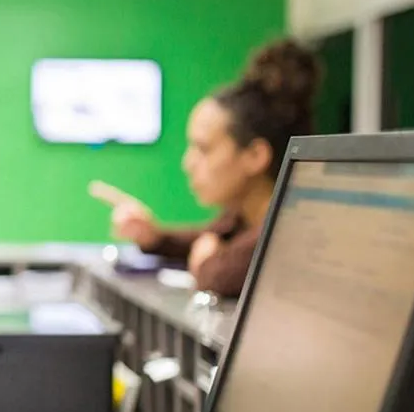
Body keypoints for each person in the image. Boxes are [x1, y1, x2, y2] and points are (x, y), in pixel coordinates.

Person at [112, 39, 323, 296]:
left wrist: (207, 265)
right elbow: (204, 240)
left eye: (203, 149)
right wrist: (154, 237)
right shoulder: (241, 218)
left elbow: (223, 270)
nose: (187, 163)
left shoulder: (286, 231)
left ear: (255, 156)